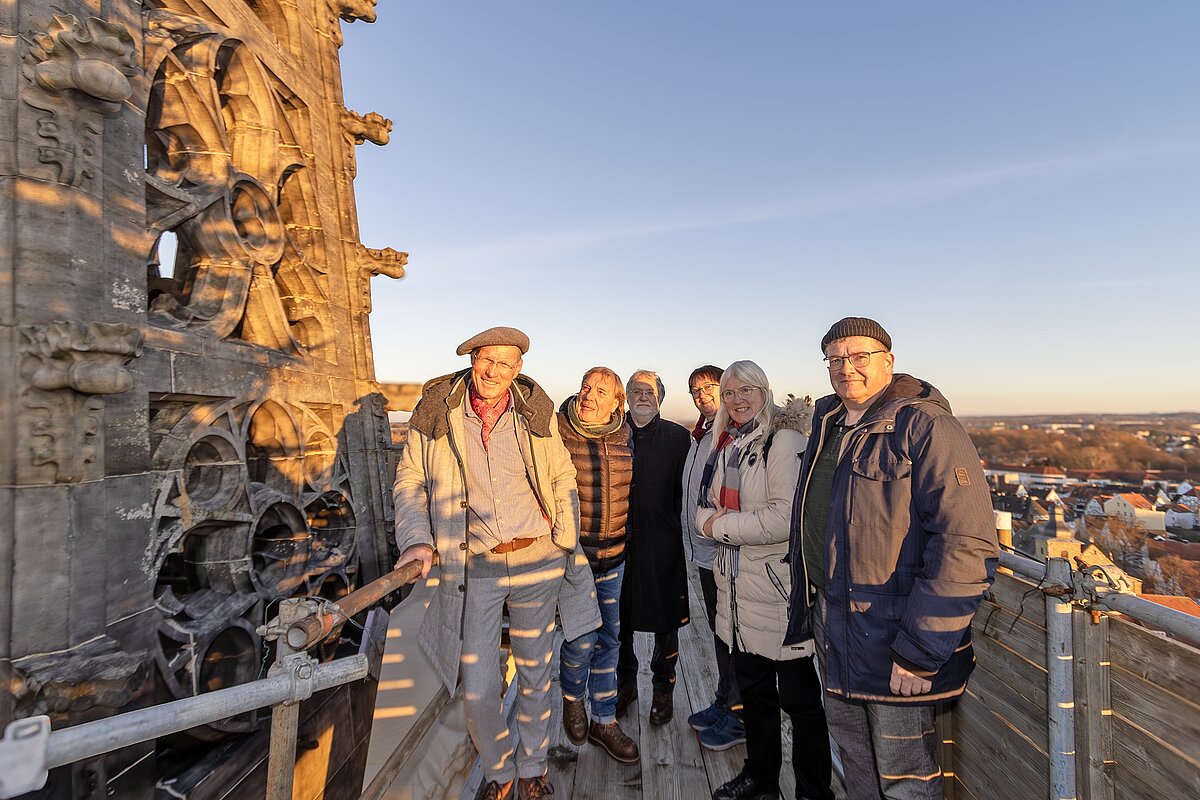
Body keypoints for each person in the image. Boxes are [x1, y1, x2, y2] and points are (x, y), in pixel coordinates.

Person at [784, 317, 999, 800]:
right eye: (835, 360)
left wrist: (920, 652)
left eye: (859, 356)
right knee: (855, 759)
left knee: (905, 776)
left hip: (895, 637)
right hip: (834, 622)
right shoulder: (830, 424)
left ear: (889, 361)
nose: (846, 368)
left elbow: (967, 543)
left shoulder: (925, 425)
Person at [392, 326, 598, 800]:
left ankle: (532, 768)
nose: (494, 371)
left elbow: (562, 473)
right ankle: (498, 768)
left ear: (518, 369)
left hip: (538, 560)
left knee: (534, 671)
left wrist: (565, 534)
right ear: (472, 359)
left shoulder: (535, 411)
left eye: (505, 364)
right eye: (487, 360)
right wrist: (417, 539)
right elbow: (409, 482)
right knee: (479, 684)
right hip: (475, 566)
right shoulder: (437, 411)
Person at [696, 361, 833, 800]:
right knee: (754, 694)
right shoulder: (728, 443)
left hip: (777, 590)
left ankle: (813, 790)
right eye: (730, 393)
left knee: (799, 700)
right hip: (736, 589)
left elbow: (782, 518)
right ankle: (762, 779)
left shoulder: (782, 439)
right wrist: (712, 521)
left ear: (764, 391)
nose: (738, 400)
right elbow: (702, 507)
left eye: (746, 390)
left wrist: (719, 526)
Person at [556, 367, 640, 763]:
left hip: (614, 558)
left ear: (616, 404)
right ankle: (573, 698)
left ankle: (604, 720)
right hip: (574, 559)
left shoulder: (624, 435)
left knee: (610, 638)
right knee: (580, 638)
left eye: (600, 391)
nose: (588, 396)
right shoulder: (558, 430)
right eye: (585, 387)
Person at [617, 369, 691, 724]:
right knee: (619, 622)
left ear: (660, 397)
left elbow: (688, 493)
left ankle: (663, 689)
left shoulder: (679, 438)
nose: (643, 396)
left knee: (666, 622)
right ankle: (625, 685)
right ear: (626, 397)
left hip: (663, 543)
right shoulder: (614, 434)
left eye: (650, 391)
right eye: (636, 390)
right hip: (618, 545)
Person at [681, 364, 746, 750]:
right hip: (705, 553)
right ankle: (725, 701)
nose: (701, 394)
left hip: (727, 553)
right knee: (720, 634)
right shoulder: (702, 435)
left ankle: (739, 715)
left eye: (710, 387)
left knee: (733, 635)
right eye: (695, 390)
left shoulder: (731, 435)